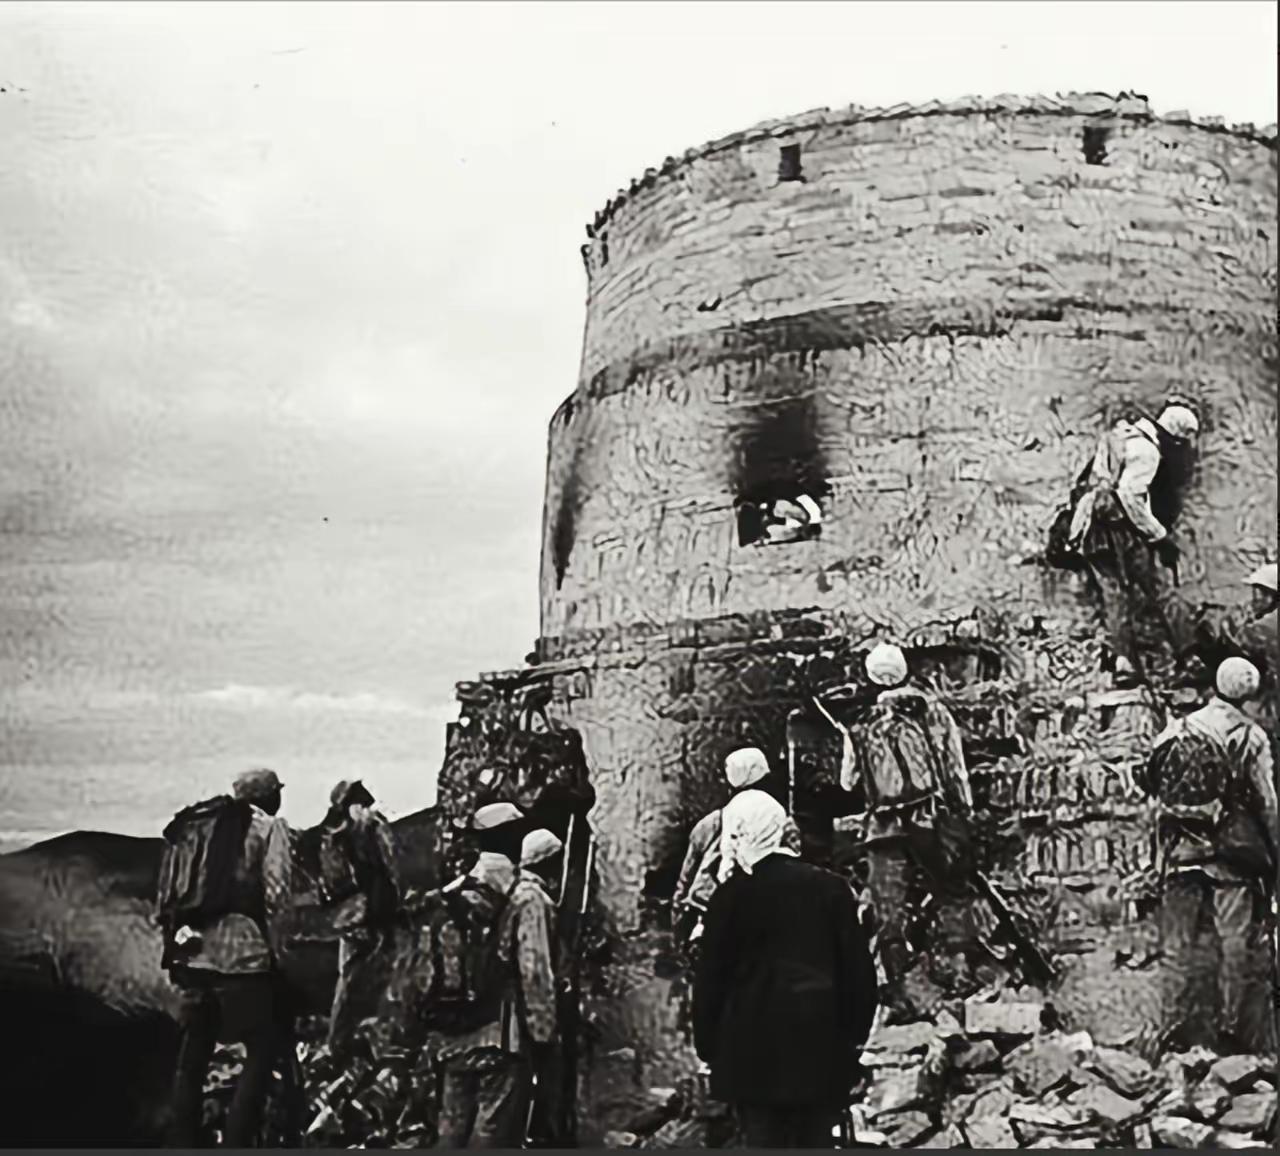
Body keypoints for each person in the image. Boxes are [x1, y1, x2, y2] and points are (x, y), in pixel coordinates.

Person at [693, 790, 878, 1149]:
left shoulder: (729, 897)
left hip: (749, 1054)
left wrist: (709, 1047)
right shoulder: (831, 889)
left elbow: (711, 981)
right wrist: (853, 1039)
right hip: (820, 1045)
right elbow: (857, 973)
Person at [1142, 657, 1278, 1055]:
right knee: (1233, 942)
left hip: (1179, 853)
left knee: (1176, 947)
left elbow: (1153, 789)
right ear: (1252, 695)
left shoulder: (1176, 729)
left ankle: (1170, 1029)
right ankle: (1229, 1029)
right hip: (1227, 854)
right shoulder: (1251, 737)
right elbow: (1268, 803)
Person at [835, 642, 975, 1020]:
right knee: (951, 890)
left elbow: (848, 783)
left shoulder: (860, 720)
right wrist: (963, 814)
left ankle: (904, 993)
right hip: (930, 816)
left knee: (889, 908)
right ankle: (960, 972)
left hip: (881, 826)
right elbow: (954, 768)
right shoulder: (932, 710)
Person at [163, 768, 294, 1148]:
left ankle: (182, 1140)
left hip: (192, 956)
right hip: (243, 959)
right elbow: (277, 895)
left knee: (193, 1057)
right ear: (269, 795)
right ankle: (236, 1141)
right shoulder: (269, 828)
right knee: (261, 1050)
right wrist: (280, 954)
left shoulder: (196, 827)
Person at [1049, 401, 1200, 680]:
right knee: (1160, 589)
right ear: (1173, 436)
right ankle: (1190, 656)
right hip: (1119, 528)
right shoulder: (1148, 452)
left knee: (1114, 596)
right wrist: (1159, 536)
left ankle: (1124, 664)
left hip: (1092, 527)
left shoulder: (1120, 435)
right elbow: (1130, 496)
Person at [433, 801, 527, 1148]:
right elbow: (530, 965)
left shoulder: (454, 889)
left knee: (451, 1124)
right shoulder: (515, 886)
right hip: (495, 1029)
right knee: (492, 1126)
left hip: (450, 1027)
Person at [671, 748, 801, 946]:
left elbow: (685, 881)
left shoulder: (710, 824)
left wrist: (679, 925)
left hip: (711, 916)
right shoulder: (781, 823)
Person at [318, 779, 403, 1062]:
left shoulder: (331, 836)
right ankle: (376, 1040)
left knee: (348, 980)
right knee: (389, 978)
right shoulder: (373, 827)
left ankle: (337, 1042)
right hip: (374, 914)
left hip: (348, 917)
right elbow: (392, 871)